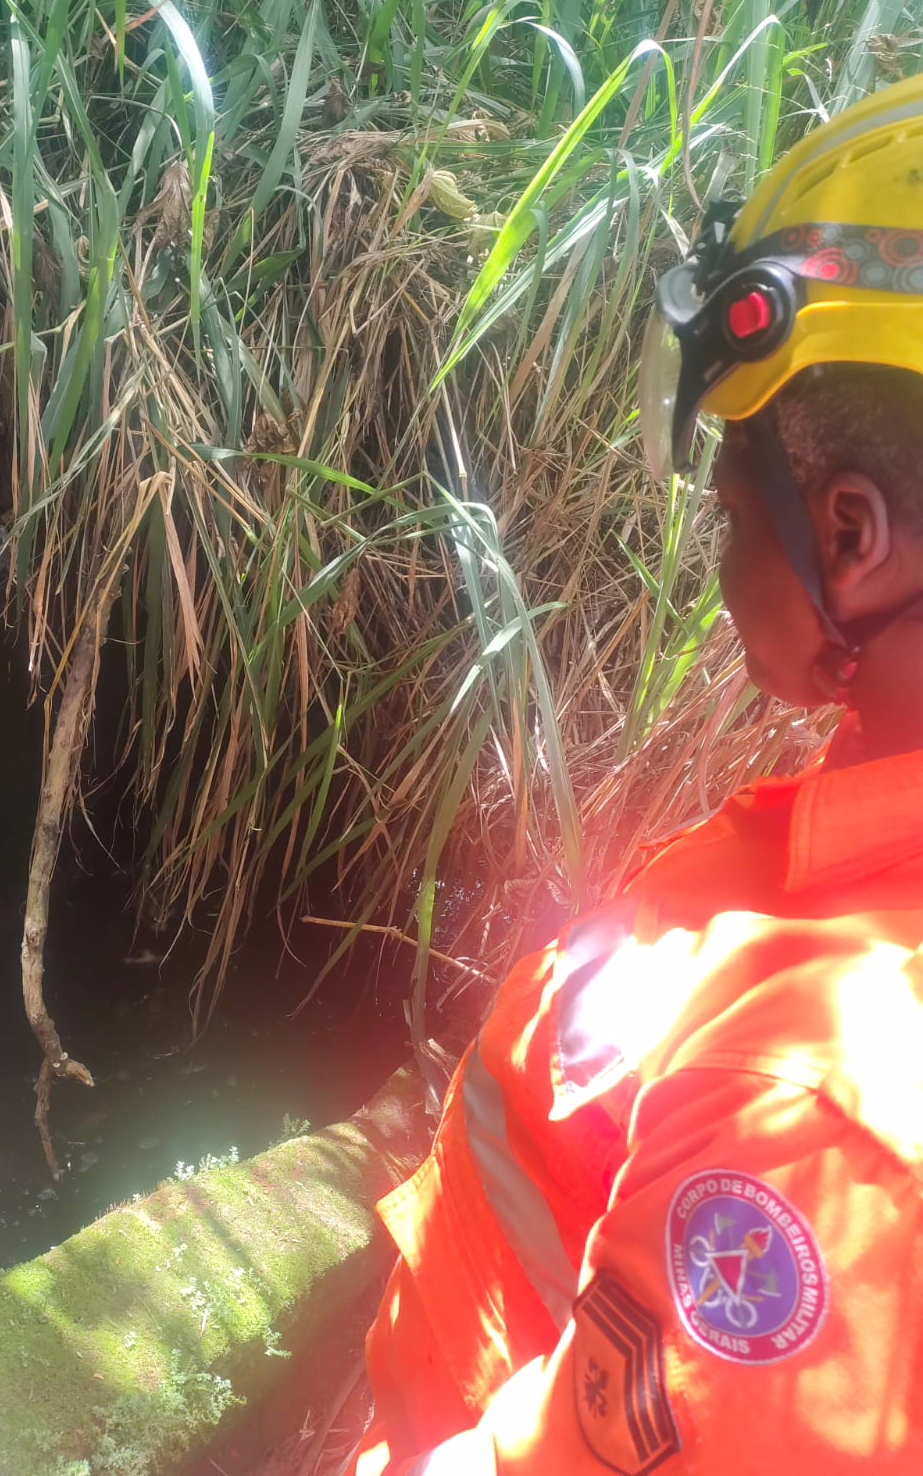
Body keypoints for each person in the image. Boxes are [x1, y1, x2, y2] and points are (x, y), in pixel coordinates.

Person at [347, 72, 923, 1475]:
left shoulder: (817, 1112)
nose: (723, 559)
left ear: (850, 537)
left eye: (731, 514)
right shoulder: (866, 827)